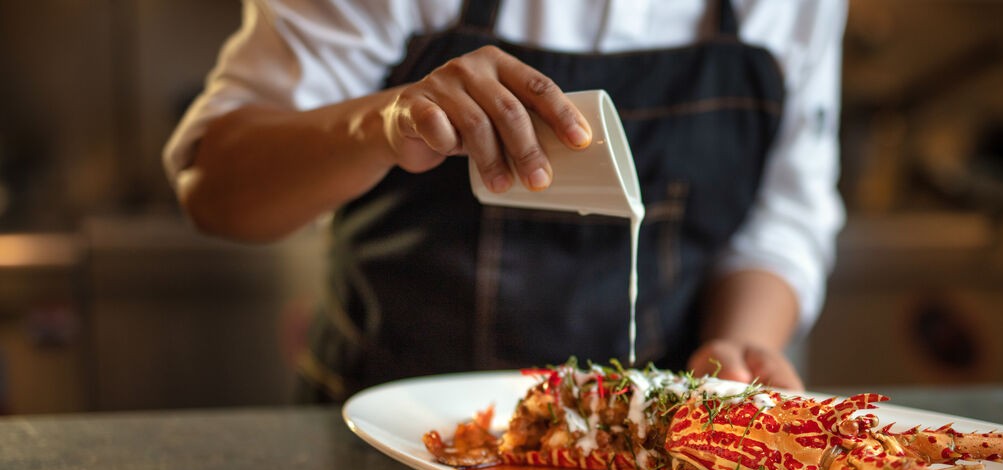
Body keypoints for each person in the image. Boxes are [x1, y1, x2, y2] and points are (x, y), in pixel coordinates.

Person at [164, 0, 847, 401]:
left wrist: (742, 345)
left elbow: (783, 213)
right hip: (386, 455)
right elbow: (213, 186)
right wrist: (385, 124)